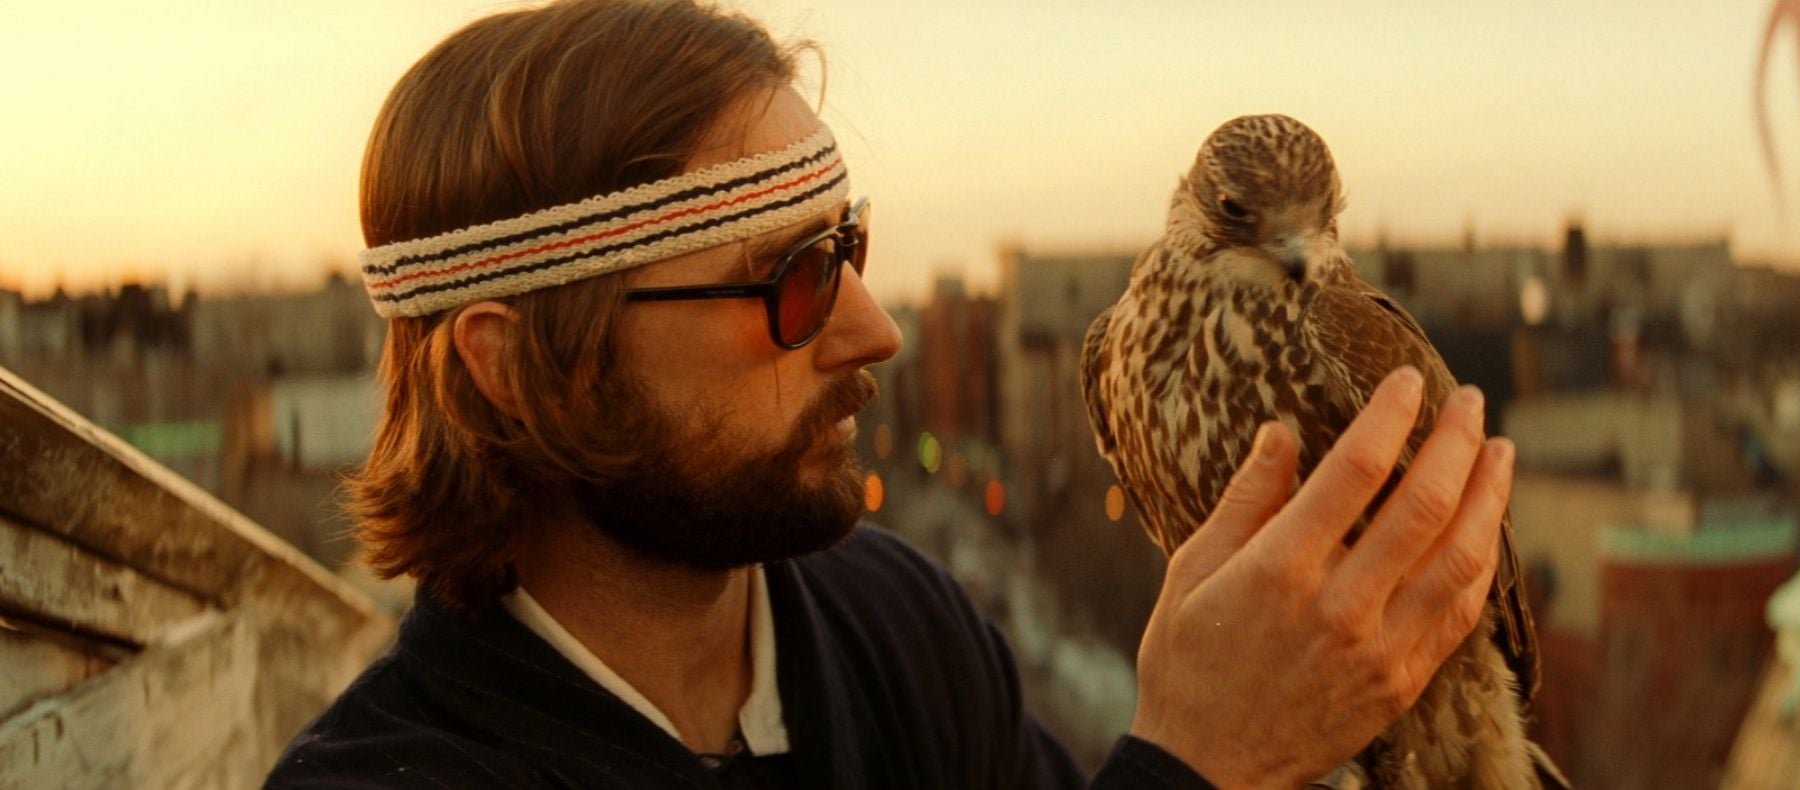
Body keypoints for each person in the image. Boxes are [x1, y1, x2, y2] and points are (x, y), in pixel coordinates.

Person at [267, 1, 1515, 787]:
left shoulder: (896, 624)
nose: (877, 329)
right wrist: (1204, 766)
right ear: (513, 363)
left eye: (848, 249)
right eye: (789, 281)